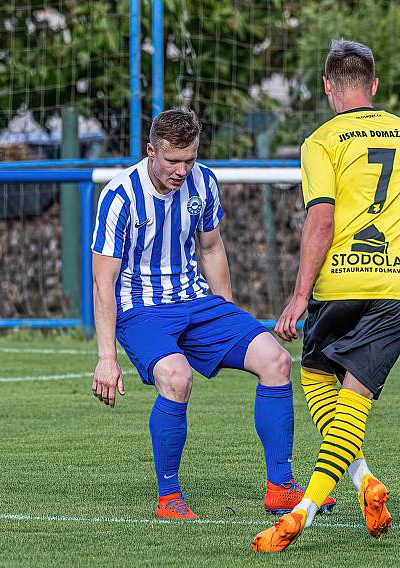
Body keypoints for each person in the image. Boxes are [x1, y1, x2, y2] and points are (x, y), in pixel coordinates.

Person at [90, 108, 335, 520]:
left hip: (198, 303)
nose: (183, 170)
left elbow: (211, 248)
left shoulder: (204, 181)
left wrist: (226, 311)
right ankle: (169, 497)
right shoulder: (120, 197)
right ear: (151, 151)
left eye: (190, 159)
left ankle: (281, 487)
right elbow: (103, 282)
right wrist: (106, 357)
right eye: (173, 161)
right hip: (142, 310)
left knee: (275, 360)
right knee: (176, 377)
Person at [252, 40, 400, 552]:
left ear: (329, 86)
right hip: (398, 288)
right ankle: (363, 482)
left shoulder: (321, 142)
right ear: (374, 86)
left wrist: (297, 296)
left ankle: (301, 514)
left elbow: (322, 218)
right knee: (347, 392)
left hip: (340, 283)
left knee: (315, 376)